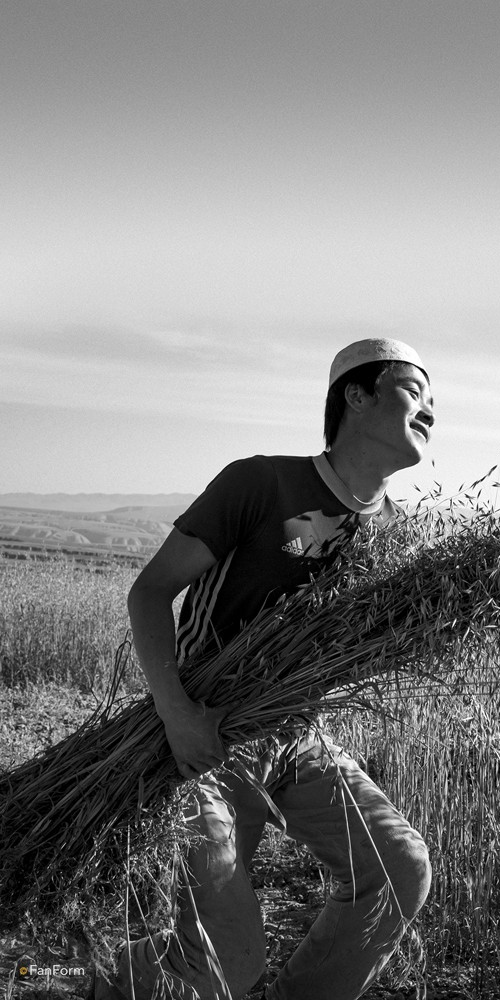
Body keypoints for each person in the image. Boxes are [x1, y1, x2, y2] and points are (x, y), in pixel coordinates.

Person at [93, 339, 435, 1000]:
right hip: (209, 738)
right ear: (355, 396)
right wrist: (178, 716)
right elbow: (150, 593)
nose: (431, 410)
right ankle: (122, 976)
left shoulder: (398, 535)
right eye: (414, 389)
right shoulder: (262, 482)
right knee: (226, 964)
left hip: (297, 738)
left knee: (399, 871)